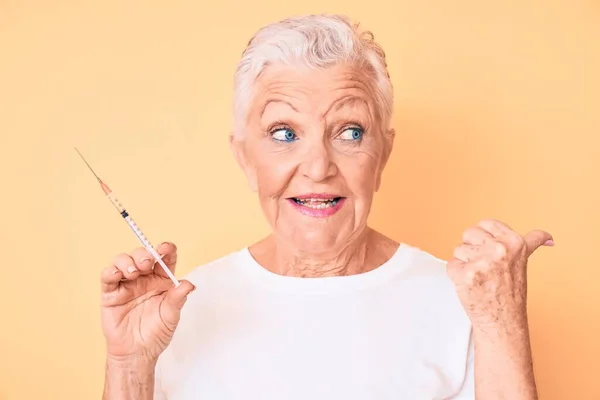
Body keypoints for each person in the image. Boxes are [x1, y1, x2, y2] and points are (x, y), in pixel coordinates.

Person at [101, 13, 553, 400]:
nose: (318, 167)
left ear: (383, 156)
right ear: (244, 157)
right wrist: (129, 367)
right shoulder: (176, 311)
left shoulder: (467, 302)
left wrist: (501, 324)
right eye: (284, 133)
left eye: (349, 132)